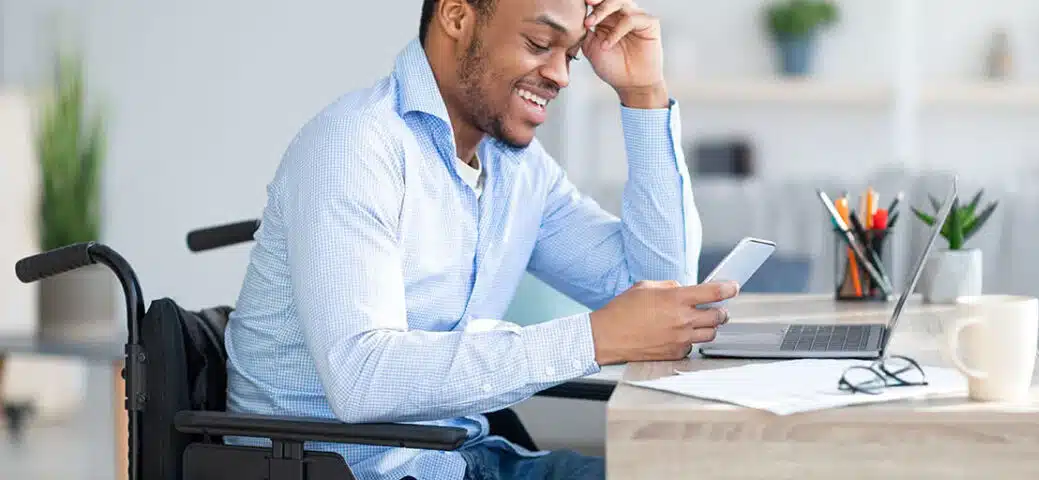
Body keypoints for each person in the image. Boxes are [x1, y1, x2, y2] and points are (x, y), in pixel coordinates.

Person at [223, 0, 738, 478]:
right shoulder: (355, 147)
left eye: (572, 56)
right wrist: (594, 338)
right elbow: (361, 379)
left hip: (469, 461)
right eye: (540, 45)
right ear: (455, 15)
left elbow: (661, 289)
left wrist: (643, 94)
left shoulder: (517, 169)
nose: (560, 75)